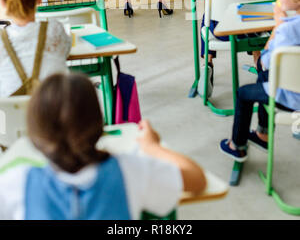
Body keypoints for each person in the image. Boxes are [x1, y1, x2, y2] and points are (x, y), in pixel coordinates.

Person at [0, 73, 206, 220]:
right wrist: (153, 147)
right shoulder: (129, 170)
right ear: (99, 123)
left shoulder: (16, 184)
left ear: (35, 132)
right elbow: (197, 179)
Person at [219, 0, 300, 161]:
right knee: (263, 80)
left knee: (245, 92)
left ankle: (236, 144)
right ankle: (263, 133)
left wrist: (276, 28)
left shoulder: (287, 30)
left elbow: (264, 63)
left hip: (292, 95)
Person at [0, 0, 71, 97]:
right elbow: (65, 52)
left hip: (12, 114)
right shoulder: (55, 30)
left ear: (3, 3)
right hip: (55, 111)